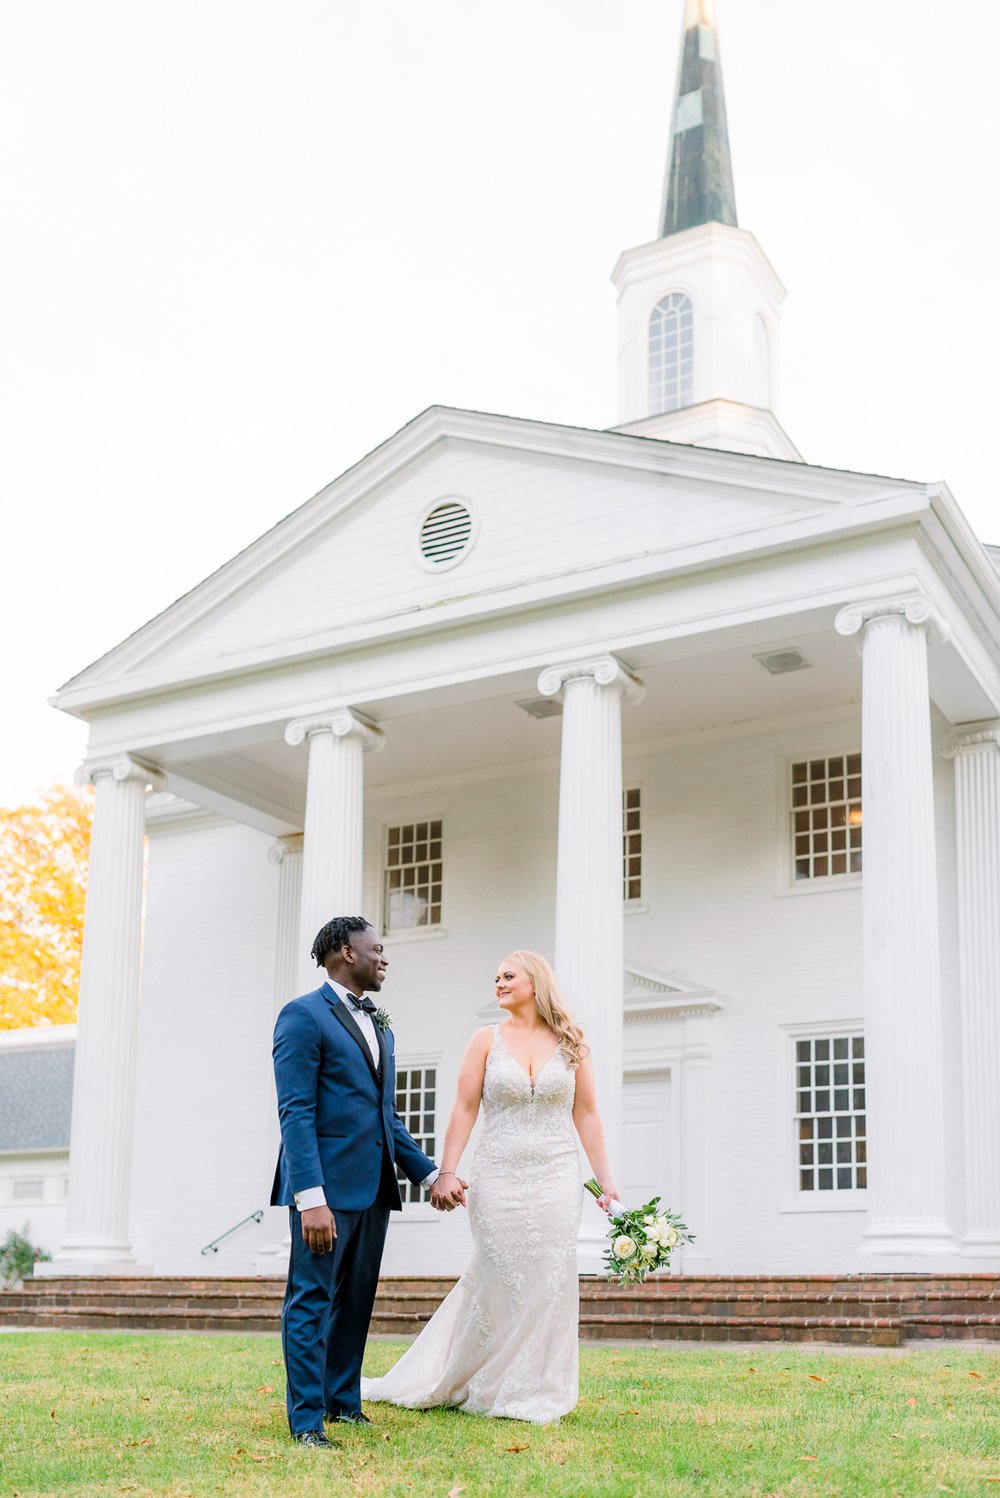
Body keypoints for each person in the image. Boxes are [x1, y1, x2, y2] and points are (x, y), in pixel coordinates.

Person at [361, 949, 619, 1425]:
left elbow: (587, 1113)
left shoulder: (572, 1043)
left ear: (535, 982)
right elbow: (464, 1109)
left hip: (557, 1175)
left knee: (550, 1276)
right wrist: (448, 1171)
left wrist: (606, 1182)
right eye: (495, 977)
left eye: (508, 976)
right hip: (498, 1174)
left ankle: (537, 1386)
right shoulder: (485, 1039)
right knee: (499, 1270)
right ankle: (480, 1376)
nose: (498, 983)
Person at [271, 915, 467, 1446]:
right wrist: (310, 1197)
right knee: (312, 1301)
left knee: (356, 1301)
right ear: (343, 952)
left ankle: (343, 1403)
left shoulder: (380, 1022)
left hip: (375, 1189)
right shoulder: (302, 1016)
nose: (384, 958)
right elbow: (295, 1112)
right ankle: (307, 1421)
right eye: (375, 948)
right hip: (325, 1193)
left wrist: (428, 1174)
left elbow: (387, 1117)